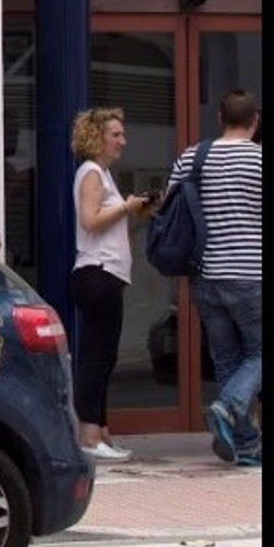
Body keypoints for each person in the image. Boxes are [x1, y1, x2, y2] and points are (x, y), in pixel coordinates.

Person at [169, 90, 262, 467]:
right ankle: (229, 406)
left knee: (227, 359)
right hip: (251, 273)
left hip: (205, 274)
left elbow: (169, 207)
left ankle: (246, 447)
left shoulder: (193, 157)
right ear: (255, 120)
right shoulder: (259, 160)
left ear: (219, 117)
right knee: (258, 353)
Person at [69, 108, 154, 461]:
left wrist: (136, 212)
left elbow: (108, 224)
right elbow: (90, 221)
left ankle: (101, 431)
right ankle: (88, 435)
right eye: (115, 134)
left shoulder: (103, 174)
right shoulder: (91, 173)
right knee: (95, 355)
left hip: (109, 273)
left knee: (105, 355)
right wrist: (126, 207)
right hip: (97, 272)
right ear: (97, 138)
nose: (122, 141)